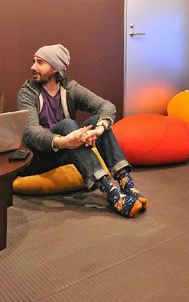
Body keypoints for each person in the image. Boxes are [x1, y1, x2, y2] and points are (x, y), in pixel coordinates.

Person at [17, 44, 146, 218]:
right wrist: (64, 141)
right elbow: (30, 132)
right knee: (68, 124)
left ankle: (126, 182)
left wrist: (98, 130)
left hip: (68, 152)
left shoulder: (69, 88)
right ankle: (109, 191)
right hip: (40, 155)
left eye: (40, 62)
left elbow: (106, 106)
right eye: (34, 61)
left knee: (97, 121)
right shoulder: (27, 93)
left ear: (55, 67)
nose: (33, 66)